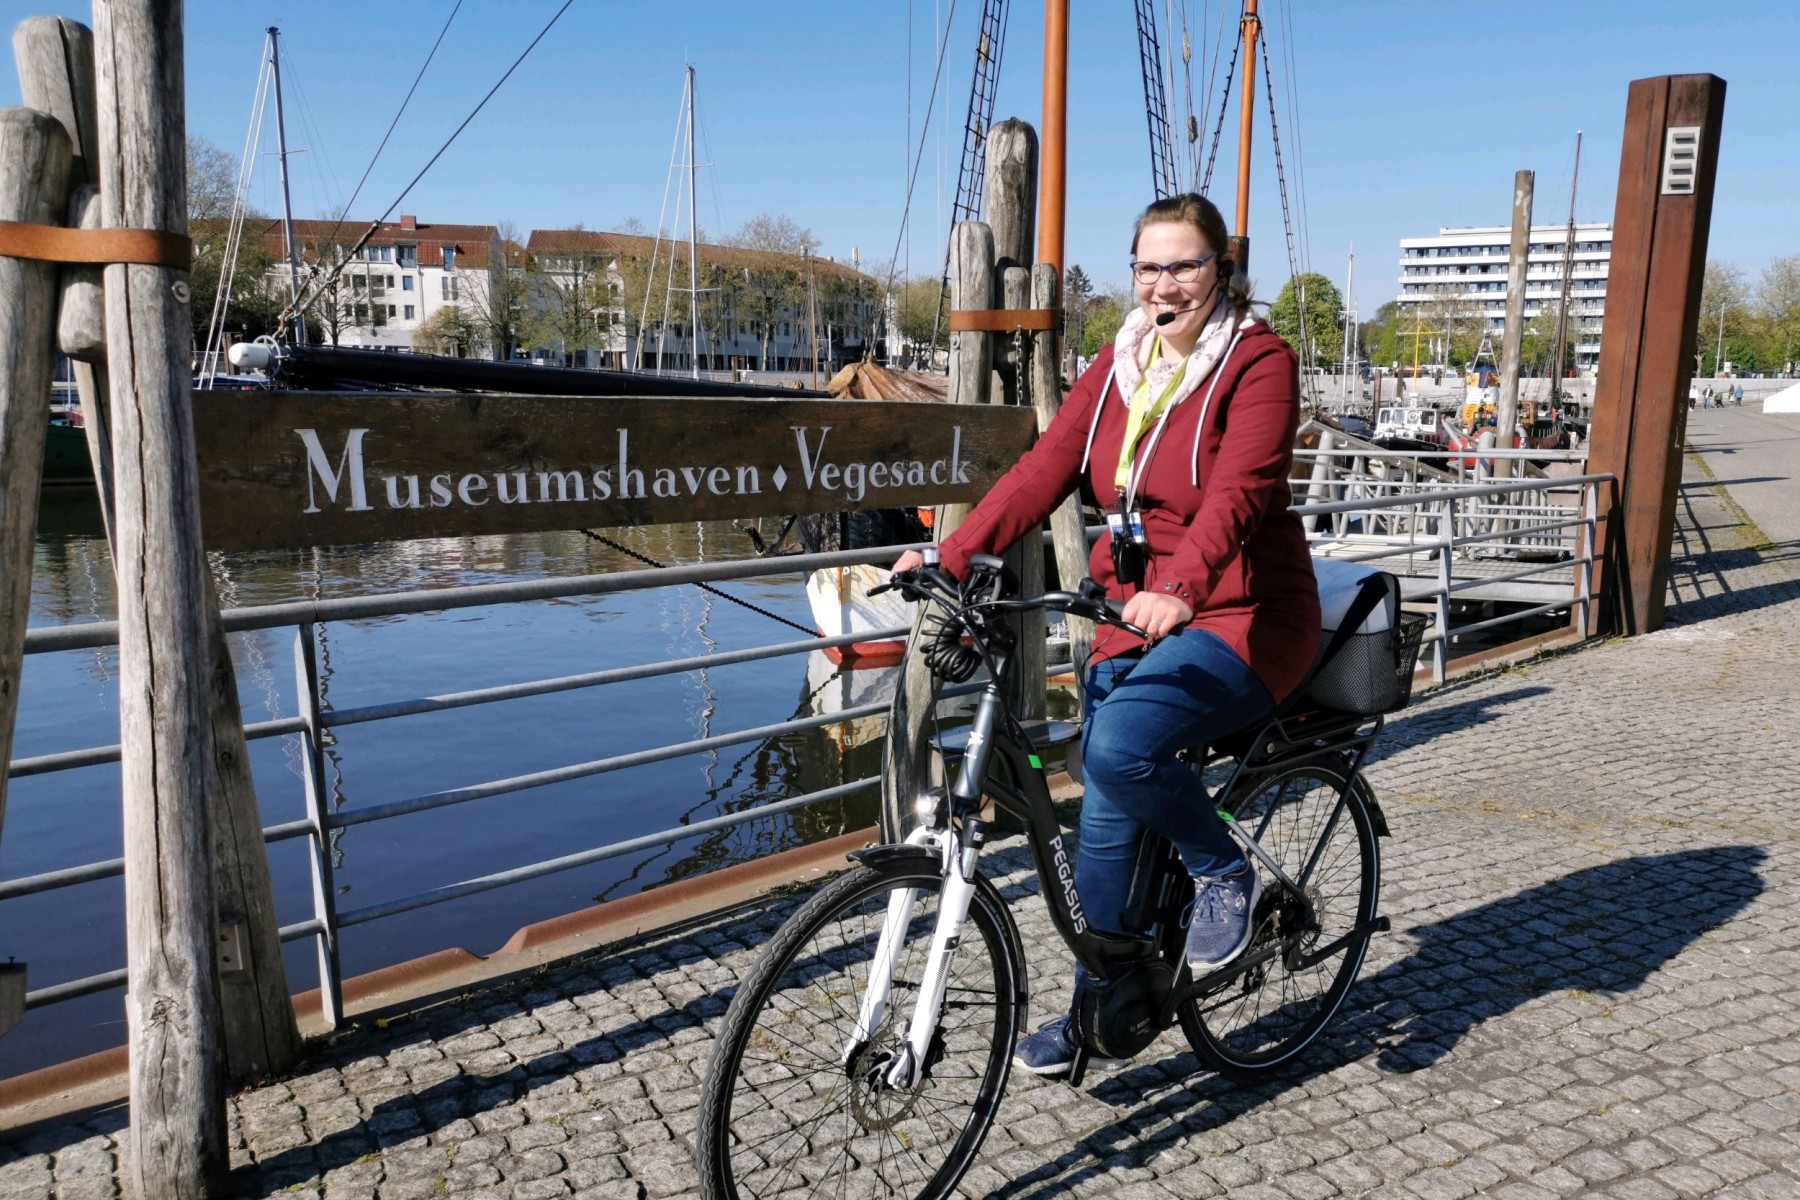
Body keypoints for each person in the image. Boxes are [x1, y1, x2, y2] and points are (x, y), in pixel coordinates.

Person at [892, 193, 1321, 1077]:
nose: (1164, 285)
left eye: (1185, 266)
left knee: (1120, 747)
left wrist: (1179, 587)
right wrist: (955, 547)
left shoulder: (1259, 364)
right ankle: (1105, 1008)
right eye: (1148, 267)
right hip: (1129, 617)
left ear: (1221, 273)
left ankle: (1222, 871)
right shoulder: (1118, 364)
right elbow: (1045, 467)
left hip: (1240, 613)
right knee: (1101, 845)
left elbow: (1240, 494)